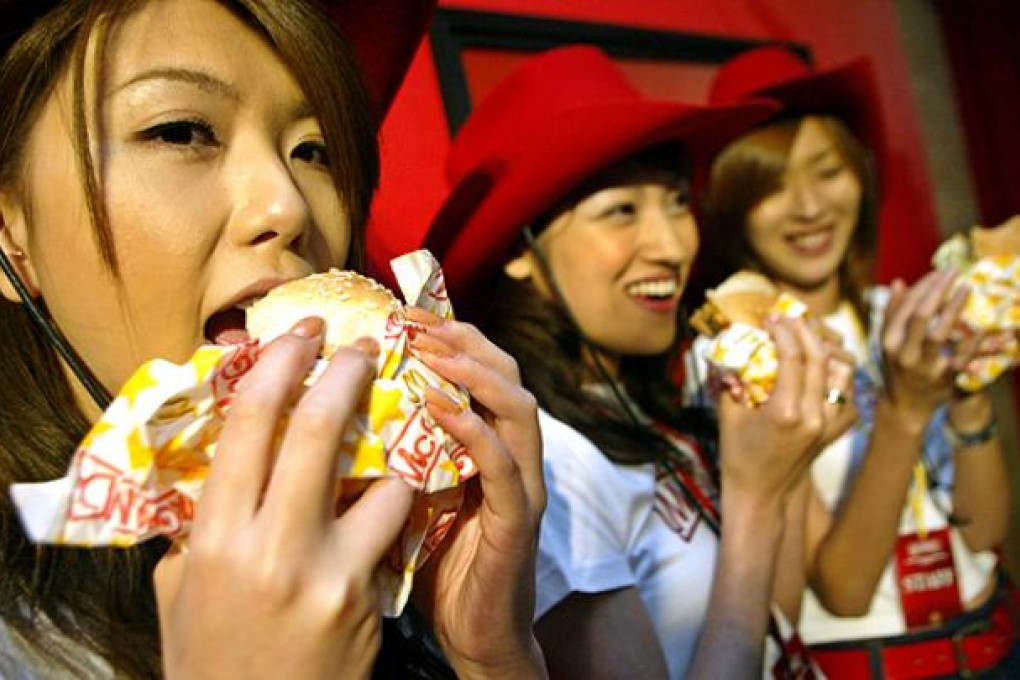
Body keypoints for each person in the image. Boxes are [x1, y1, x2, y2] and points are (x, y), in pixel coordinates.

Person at [0, 1, 547, 678]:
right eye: (180, 131)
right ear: (12, 231)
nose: (286, 205)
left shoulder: (386, 567)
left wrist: (490, 656)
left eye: (313, 151)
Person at [412, 44, 857, 679]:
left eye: (677, 202)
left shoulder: (662, 406)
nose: (673, 245)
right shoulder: (546, 464)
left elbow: (768, 621)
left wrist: (784, 468)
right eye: (622, 211)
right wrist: (756, 499)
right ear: (522, 251)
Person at [696, 45, 1019, 678]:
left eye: (827, 170)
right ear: (736, 211)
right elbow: (844, 590)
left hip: (996, 639)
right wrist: (906, 409)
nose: (811, 207)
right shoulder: (742, 351)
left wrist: (970, 393)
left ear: (862, 177)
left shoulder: (896, 312)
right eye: (773, 187)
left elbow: (984, 535)